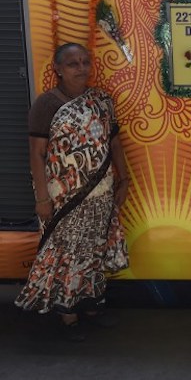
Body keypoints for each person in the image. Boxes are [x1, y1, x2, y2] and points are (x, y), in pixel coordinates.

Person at [15, 43, 130, 341]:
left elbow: (114, 143)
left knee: (93, 252)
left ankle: (92, 307)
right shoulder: (47, 104)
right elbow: (36, 154)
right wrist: (42, 199)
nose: (80, 68)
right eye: (72, 64)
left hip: (101, 193)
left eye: (84, 62)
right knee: (68, 255)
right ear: (58, 69)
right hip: (63, 198)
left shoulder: (101, 101)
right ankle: (68, 316)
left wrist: (124, 180)